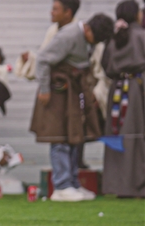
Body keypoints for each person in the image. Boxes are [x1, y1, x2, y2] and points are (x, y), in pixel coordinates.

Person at [29, 14, 114, 202]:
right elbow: (42, 59)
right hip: (57, 91)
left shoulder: (86, 39)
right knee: (60, 137)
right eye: (96, 39)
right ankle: (61, 186)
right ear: (88, 29)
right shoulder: (69, 35)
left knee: (75, 136)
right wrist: (44, 89)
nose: (95, 43)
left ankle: (73, 183)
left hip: (74, 91)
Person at [101, 0, 145, 198]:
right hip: (136, 90)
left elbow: (105, 65)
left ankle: (116, 184)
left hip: (116, 91)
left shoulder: (113, 39)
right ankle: (136, 185)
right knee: (136, 137)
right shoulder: (141, 36)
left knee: (117, 135)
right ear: (136, 15)